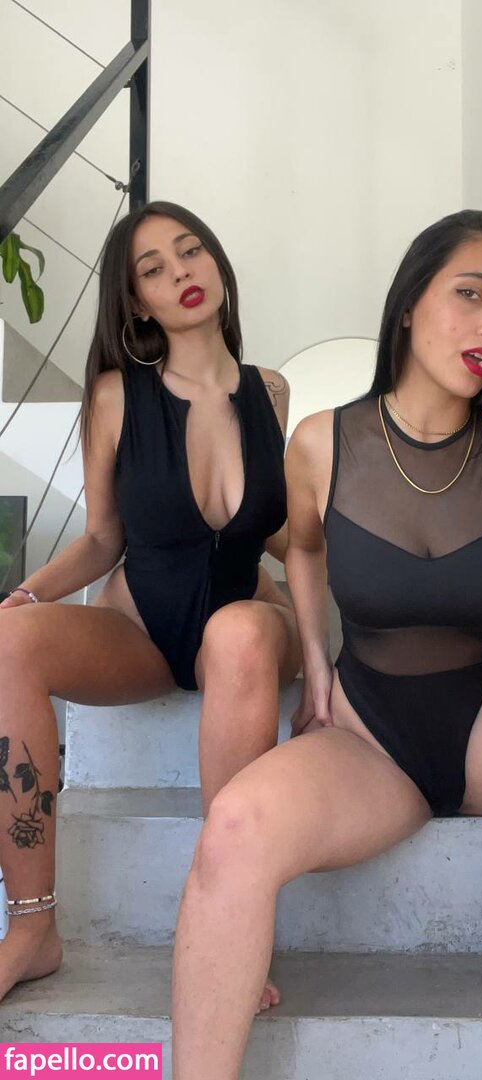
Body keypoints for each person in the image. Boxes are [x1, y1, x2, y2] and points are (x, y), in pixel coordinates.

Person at [171, 209, 482, 1078]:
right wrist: (317, 664)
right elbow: (302, 546)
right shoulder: (323, 442)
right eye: (471, 294)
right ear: (409, 303)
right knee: (234, 827)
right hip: (372, 741)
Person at [0, 201, 300, 1010]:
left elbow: (279, 531)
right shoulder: (114, 397)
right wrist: (25, 597)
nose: (182, 274)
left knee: (238, 634)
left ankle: (229, 924)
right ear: (136, 302)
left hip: (247, 628)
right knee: (7, 642)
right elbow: (103, 539)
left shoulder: (271, 392)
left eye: (191, 251)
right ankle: (32, 928)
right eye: (154, 269)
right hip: (142, 630)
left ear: (217, 263)